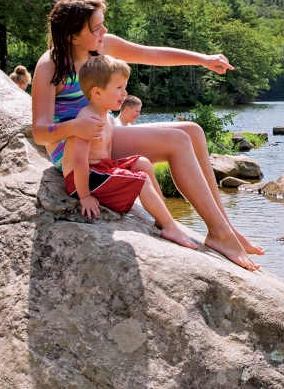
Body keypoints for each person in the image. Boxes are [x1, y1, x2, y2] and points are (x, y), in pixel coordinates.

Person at [31, 0, 262, 271]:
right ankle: (221, 235)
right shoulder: (51, 65)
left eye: (103, 23)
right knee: (177, 141)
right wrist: (76, 126)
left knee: (193, 131)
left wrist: (202, 58)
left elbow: (150, 54)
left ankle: (224, 226)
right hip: (79, 149)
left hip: (107, 135)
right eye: (96, 28)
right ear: (72, 35)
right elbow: (41, 133)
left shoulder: (101, 47)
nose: (104, 31)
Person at [62, 55, 198, 252]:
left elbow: (106, 156)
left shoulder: (106, 117)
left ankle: (163, 217)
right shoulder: (89, 120)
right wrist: (85, 197)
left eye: (124, 87)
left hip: (99, 170)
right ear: (97, 92)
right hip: (81, 180)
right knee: (140, 179)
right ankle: (170, 228)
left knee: (142, 162)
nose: (124, 94)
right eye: (118, 88)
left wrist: (118, 170)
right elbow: (80, 160)